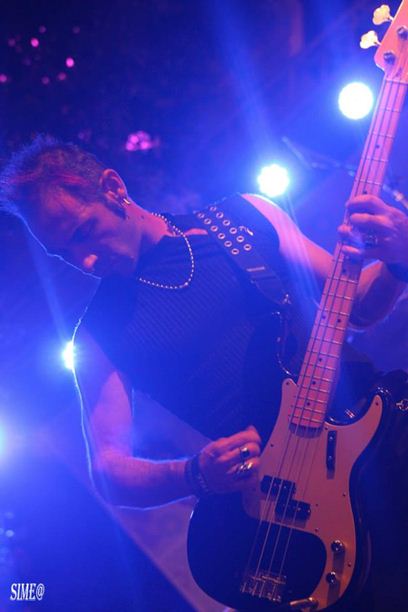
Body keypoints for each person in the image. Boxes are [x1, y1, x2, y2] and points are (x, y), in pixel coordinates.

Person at [0, 135, 407, 510]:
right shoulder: (97, 336)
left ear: (113, 188)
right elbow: (108, 470)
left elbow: (356, 306)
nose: (85, 260)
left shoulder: (244, 215)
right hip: (302, 501)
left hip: (382, 434)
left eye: (83, 231)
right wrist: (194, 473)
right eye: (62, 254)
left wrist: (399, 257)